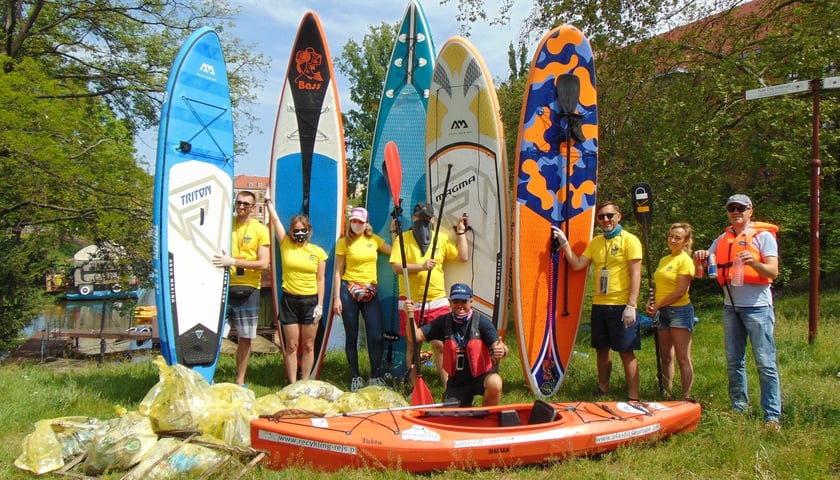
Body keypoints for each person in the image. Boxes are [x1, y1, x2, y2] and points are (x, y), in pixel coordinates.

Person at [694, 194, 782, 432]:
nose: (736, 212)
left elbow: (773, 272)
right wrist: (701, 255)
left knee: (765, 363)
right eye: (731, 208)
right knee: (734, 362)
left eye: (740, 208)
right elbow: (705, 265)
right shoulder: (723, 238)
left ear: (750, 210)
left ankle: (772, 416)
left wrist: (753, 263)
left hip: (758, 308)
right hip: (731, 308)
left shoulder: (763, 237)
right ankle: (739, 408)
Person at [553, 201, 643, 401]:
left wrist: (631, 305)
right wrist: (565, 244)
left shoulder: (630, 240)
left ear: (618, 216)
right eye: (601, 217)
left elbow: (636, 275)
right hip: (599, 305)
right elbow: (577, 265)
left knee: (626, 351)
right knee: (602, 349)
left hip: (622, 306)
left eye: (609, 215)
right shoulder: (595, 242)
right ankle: (603, 390)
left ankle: (634, 397)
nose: (606, 220)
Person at [390, 202, 469, 386]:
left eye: (427, 219)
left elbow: (462, 257)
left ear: (432, 220)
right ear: (414, 218)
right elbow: (396, 267)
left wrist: (461, 233)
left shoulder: (440, 239)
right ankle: (415, 387)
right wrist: (421, 267)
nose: (423, 222)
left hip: (437, 300)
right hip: (410, 301)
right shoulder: (402, 239)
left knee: (440, 345)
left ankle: (448, 388)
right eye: (420, 218)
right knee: (413, 345)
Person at [406, 283, 508, 406]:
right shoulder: (443, 322)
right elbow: (415, 337)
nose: (460, 305)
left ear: (471, 302)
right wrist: (409, 316)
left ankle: (486, 417)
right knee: (451, 416)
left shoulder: (482, 322)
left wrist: (501, 350)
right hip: (457, 382)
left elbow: (501, 347)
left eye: (464, 301)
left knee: (495, 382)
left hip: (481, 377)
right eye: (455, 301)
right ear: (450, 302)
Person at [265, 197, 328, 384]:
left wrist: (321, 306)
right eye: (296, 230)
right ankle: (292, 384)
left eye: (303, 230)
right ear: (291, 232)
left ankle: (306, 382)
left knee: (308, 345)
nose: (300, 233)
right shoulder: (285, 244)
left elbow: (321, 279)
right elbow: (275, 221)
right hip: (290, 301)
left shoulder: (318, 252)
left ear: (309, 231)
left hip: (310, 302)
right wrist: (268, 202)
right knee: (292, 346)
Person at [213, 191, 270, 386]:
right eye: (239, 203)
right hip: (223, 286)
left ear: (253, 208)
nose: (242, 207)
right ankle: (208, 376)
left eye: (246, 204)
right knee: (215, 334)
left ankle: (240, 381)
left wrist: (235, 261)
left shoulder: (259, 230)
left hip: (249, 288)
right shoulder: (225, 225)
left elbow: (264, 264)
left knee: (245, 337)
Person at [333, 207, 392, 391]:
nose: (356, 224)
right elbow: (337, 271)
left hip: (370, 290)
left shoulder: (374, 240)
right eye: (353, 221)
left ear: (366, 223)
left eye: (360, 221)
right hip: (349, 289)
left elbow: (395, 253)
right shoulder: (344, 242)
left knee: (376, 335)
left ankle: (374, 376)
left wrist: (393, 232)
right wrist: (336, 298)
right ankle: (355, 377)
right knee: (351, 336)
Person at [646, 223, 697, 400]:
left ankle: (686, 396)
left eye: (678, 238)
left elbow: (679, 291)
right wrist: (650, 302)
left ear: (686, 241)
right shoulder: (664, 260)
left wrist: (658, 305)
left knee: (683, 357)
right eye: (671, 236)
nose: (673, 240)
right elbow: (658, 286)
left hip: (680, 312)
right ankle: (666, 393)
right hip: (663, 312)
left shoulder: (686, 261)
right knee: (666, 356)